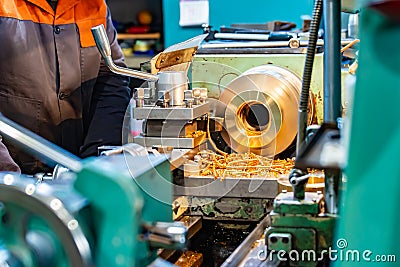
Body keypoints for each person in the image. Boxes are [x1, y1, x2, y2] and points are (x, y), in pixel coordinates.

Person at [0, 0, 131, 173]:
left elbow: (111, 80)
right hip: (14, 175)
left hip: (75, 173)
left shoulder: (93, 5)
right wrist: (10, 181)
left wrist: (98, 162)